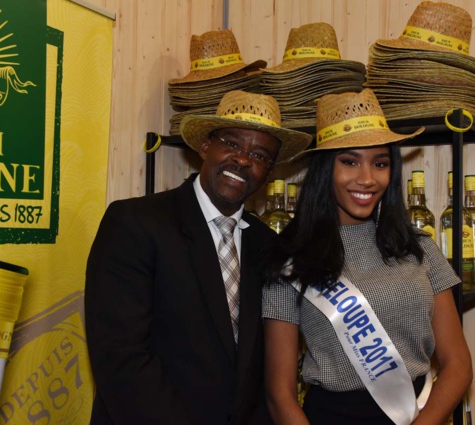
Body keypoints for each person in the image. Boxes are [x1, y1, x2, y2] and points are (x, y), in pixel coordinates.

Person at [85, 90, 311, 424]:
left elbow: (258, 370)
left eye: (260, 156)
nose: (244, 160)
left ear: (269, 172)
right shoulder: (136, 223)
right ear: (205, 146)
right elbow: (121, 357)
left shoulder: (266, 244)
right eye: (232, 144)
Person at [262, 89, 472, 425]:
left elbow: (458, 363)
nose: (367, 178)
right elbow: (279, 393)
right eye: (349, 161)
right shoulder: (291, 259)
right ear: (323, 170)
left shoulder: (418, 247)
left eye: (380, 163)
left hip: (418, 414)